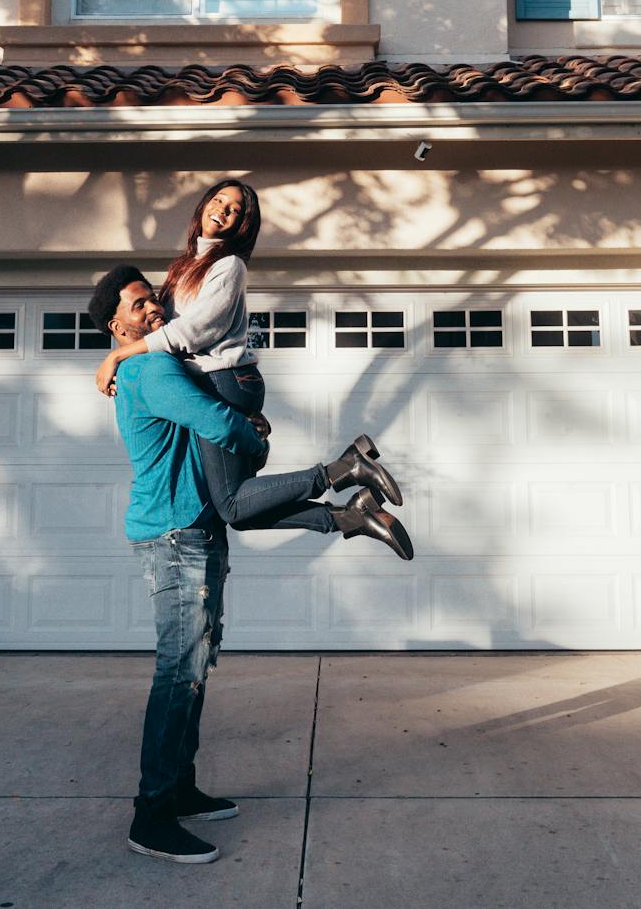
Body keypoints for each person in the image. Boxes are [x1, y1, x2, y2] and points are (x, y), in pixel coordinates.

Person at [88, 266, 411, 865]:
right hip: (174, 534)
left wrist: (241, 426)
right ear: (116, 324)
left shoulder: (162, 364)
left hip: (197, 527)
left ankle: (179, 789)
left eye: (154, 300)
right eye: (138, 306)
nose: (153, 310)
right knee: (178, 673)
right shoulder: (149, 366)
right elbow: (219, 425)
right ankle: (152, 815)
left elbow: (217, 435)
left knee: (196, 667)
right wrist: (254, 438)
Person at [95, 180, 412, 556]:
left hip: (225, 379)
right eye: (218, 200)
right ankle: (351, 516)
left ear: (243, 225)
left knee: (232, 503)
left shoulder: (228, 266)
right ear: (203, 207)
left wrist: (117, 356)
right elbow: (165, 326)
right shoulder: (185, 267)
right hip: (215, 381)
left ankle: (344, 469)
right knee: (241, 509)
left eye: (236, 209)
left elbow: (197, 330)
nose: (224, 210)